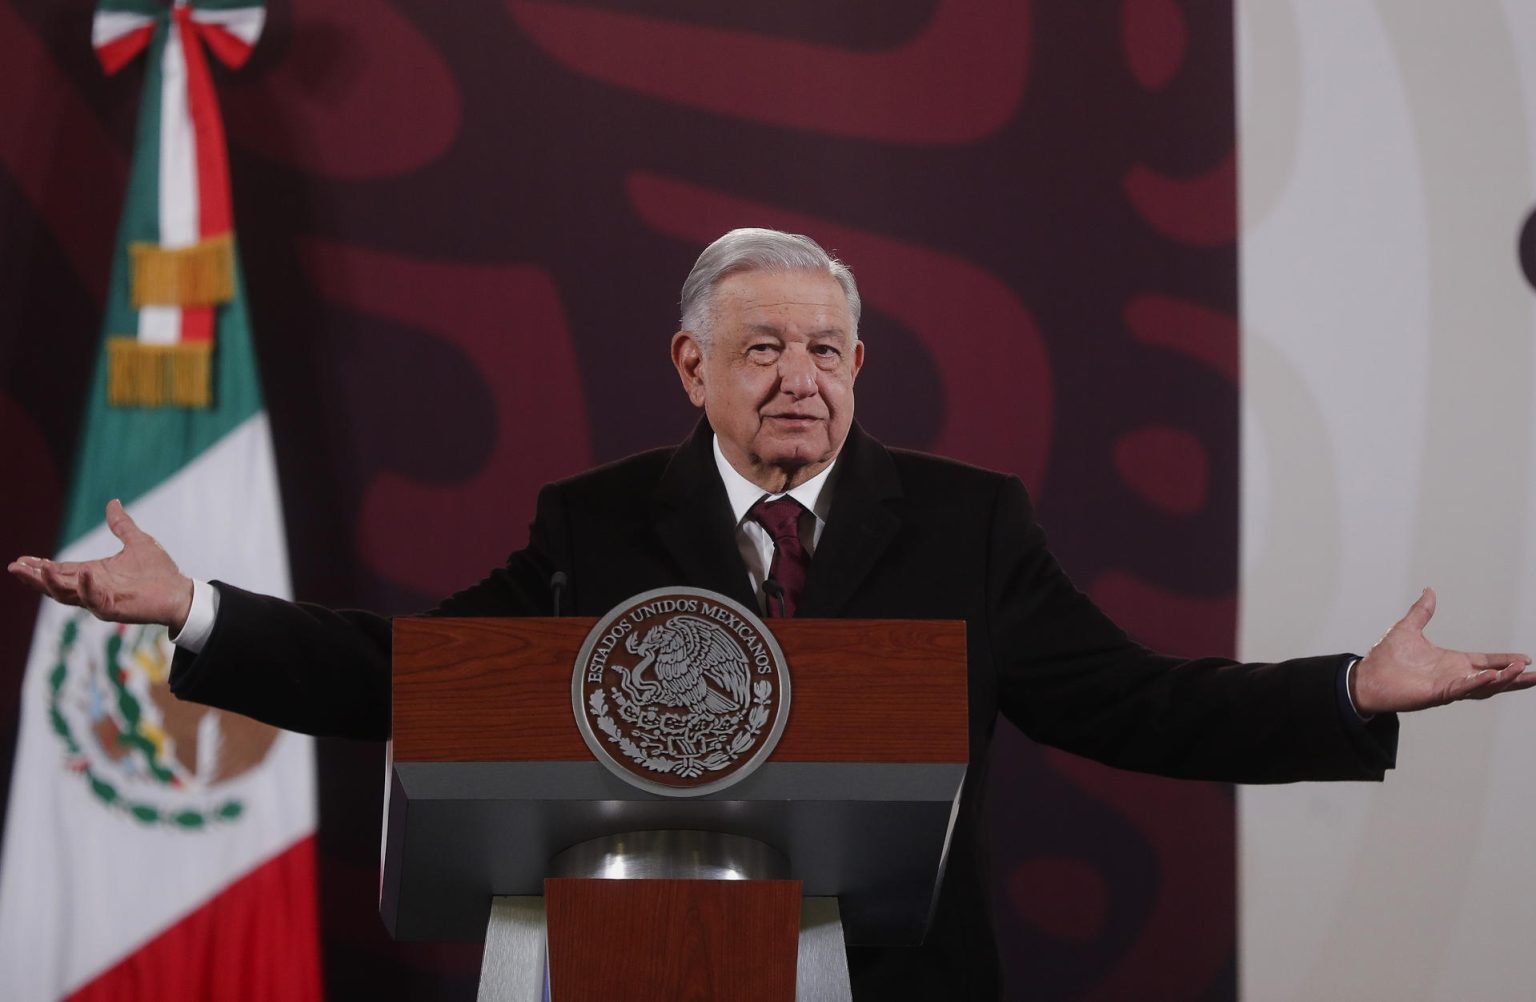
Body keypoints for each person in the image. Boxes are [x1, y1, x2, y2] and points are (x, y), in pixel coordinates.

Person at [10, 228, 1533, 999]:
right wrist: (196, 609)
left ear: (863, 362)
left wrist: (1350, 690)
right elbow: (416, 672)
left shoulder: (968, 519)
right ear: (691, 367)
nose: (801, 375)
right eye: (762, 349)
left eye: (828, 347)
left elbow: (1131, 699)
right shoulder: (595, 521)